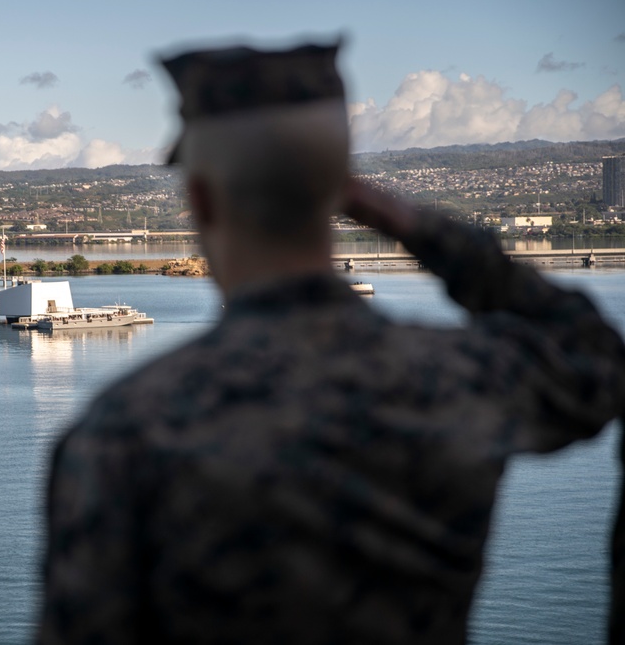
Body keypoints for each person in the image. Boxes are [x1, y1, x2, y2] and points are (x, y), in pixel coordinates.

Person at [37, 40, 625, 644]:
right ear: (341, 193)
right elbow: (592, 355)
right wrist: (409, 221)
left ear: (202, 201)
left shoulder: (123, 433)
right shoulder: (459, 380)